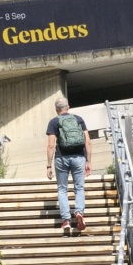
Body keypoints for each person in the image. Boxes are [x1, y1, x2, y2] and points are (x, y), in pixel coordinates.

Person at [45, 97, 91, 233]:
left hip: (62, 158)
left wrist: (48, 165)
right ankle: (79, 212)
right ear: (68, 107)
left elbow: (51, 145)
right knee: (79, 188)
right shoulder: (78, 119)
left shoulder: (54, 122)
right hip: (79, 157)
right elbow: (88, 142)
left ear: (56, 109)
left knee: (62, 189)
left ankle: (66, 220)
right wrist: (88, 161)